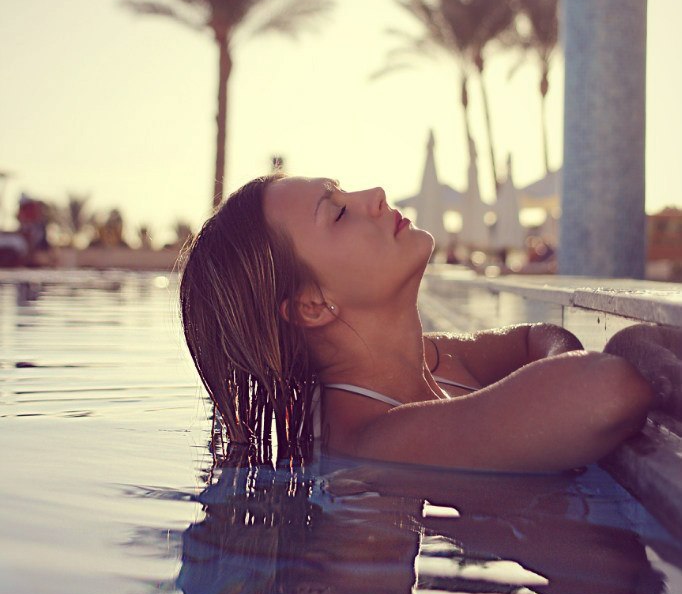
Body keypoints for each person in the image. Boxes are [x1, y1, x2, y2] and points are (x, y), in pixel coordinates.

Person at [179, 174, 663, 472]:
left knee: (640, 345)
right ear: (313, 305)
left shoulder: (435, 360)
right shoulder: (378, 440)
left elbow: (536, 338)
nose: (373, 195)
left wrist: (558, 361)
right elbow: (607, 389)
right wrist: (555, 371)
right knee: (638, 347)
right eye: (339, 212)